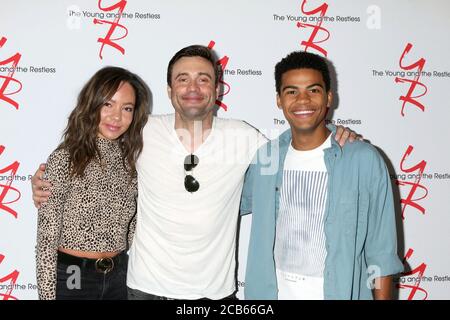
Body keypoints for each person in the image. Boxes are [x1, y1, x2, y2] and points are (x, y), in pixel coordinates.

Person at [32, 45, 357, 300]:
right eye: (182, 79)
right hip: (143, 289)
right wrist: (46, 181)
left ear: (218, 90)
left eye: (204, 79)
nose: (193, 87)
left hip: (213, 294)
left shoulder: (243, 137)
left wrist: (337, 134)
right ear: (170, 90)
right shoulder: (141, 133)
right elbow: (89, 158)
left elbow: (296, 154)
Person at [240, 51, 403, 300]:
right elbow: (225, 203)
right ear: (279, 100)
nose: (302, 100)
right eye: (292, 91)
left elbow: (381, 250)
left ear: (328, 97)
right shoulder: (265, 158)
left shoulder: (363, 159)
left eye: (313, 90)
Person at [35, 66, 150, 300]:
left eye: (126, 108)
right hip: (73, 275)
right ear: (92, 104)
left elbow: (133, 228)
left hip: (119, 275)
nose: (116, 116)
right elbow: (46, 241)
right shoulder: (65, 159)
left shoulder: (133, 164)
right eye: (108, 104)